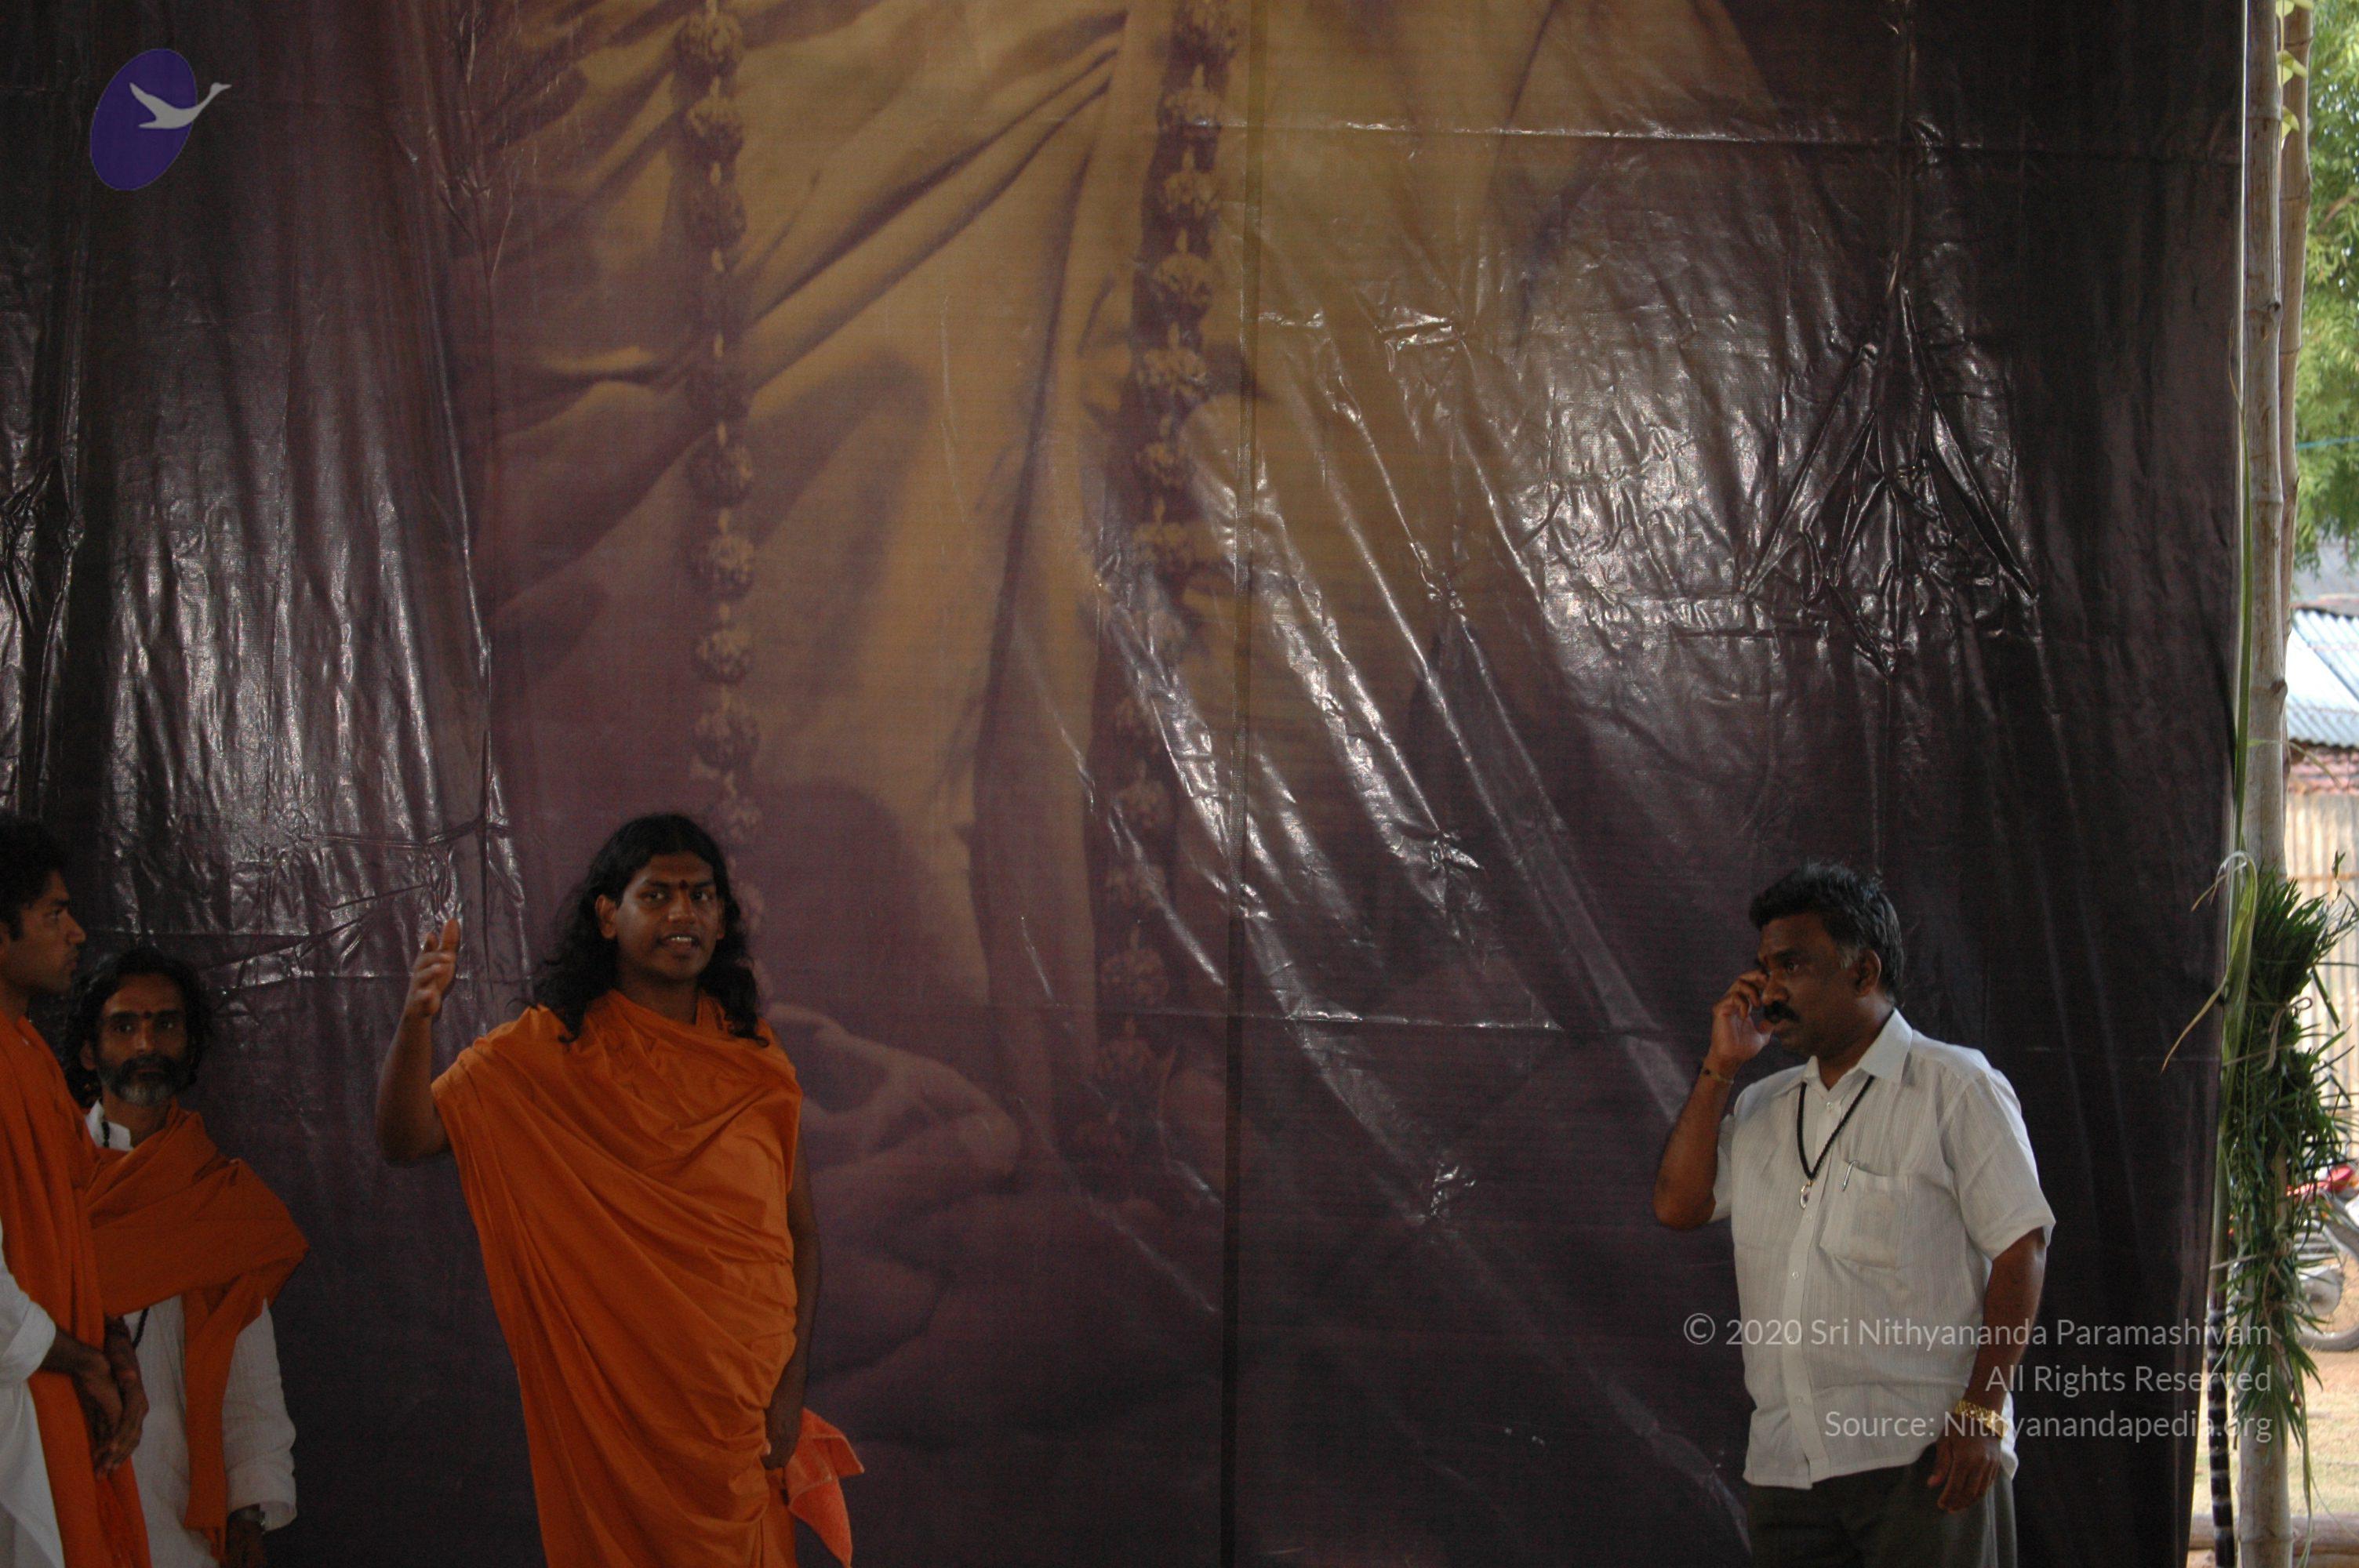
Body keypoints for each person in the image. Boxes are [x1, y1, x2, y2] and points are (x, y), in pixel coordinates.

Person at [373, 812, 856, 1566]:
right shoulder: (546, 1054)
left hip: (740, 1413)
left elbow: (802, 1236)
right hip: (619, 1414)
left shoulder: (756, 1060)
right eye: (656, 895)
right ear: (607, 915)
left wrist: (791, 1390)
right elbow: (406, 1139)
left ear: (723, 918)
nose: (682, 914)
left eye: (701, 896)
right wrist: (416, 1021)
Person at [1652, 864, 2055, 1568]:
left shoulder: (1955, 1086)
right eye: (1764, 969)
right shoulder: (1765, 1105)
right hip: (1787, 1465)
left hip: (1923, 1458)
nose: (1769, 991)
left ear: (1864, 972)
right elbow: (1678, 1206)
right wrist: (1721, 1067)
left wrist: (1982, 1414)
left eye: (1792, 966)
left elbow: (2022, 1248)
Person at [67, 949, 305, 1568]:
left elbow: (250, 1383)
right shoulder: (47, 1183)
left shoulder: (220, 1199)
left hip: (177, 1515)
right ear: (89, 1051)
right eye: (124, 1025)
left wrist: (248, 1514)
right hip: (52, 1487)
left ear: (191, 1044)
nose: (146, 1043)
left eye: (166, 1024)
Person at [0, 813, 151, 1568]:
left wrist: (112, 1346)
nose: (78, 933)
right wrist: (86, 1364)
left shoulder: (27, 1054)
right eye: (54, 913)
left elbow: (73, 1241)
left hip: (50, 1392)